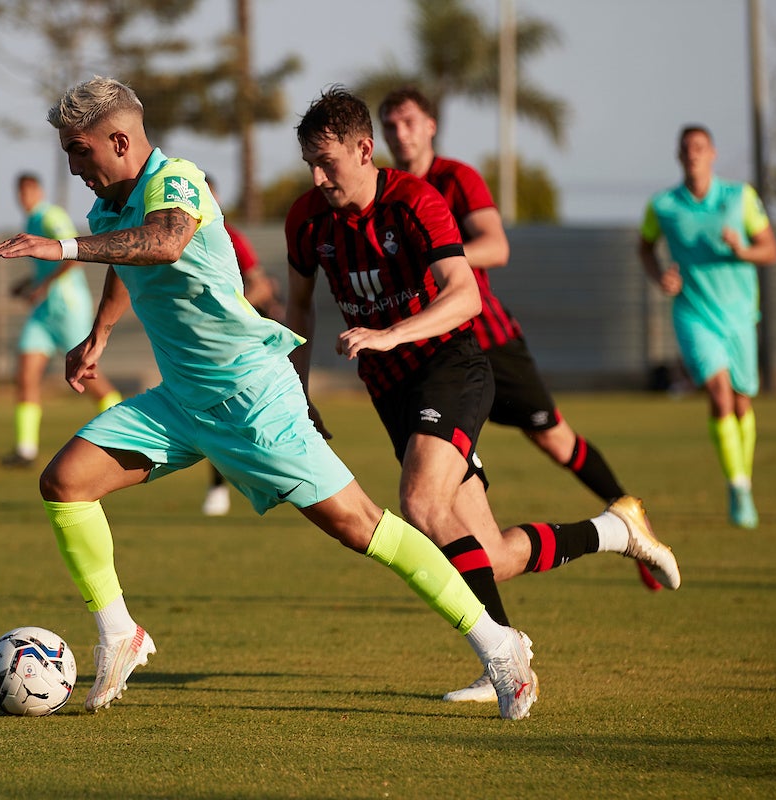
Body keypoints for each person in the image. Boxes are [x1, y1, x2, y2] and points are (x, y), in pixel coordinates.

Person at [0, 75, 539, 721]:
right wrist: (99, 335)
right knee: (65, 482)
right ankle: (119, 635)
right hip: (183, 402)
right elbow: (129, 261)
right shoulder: (110, 202)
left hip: (252, 397)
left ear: (117, 139)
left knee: (362, 527)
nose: (71, 164)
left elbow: (163, 240)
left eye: (78, 150)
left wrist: (58, 249)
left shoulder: (177, 181)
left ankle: (500, 647)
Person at [284, 87, 680, 703]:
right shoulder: (307, 219)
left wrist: (392, 334)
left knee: (419, 500)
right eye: (309, 160)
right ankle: (614, 530)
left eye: (327, 161)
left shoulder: (417, 201)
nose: (317, 176)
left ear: (364, 151)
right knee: (487, 555)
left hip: (452, 366)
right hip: (391, 390)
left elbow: (464, 293)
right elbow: (300, 308)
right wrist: (298, 390)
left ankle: (505, 659)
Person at [376, 87, 662, 592]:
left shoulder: (454, 178)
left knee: (555, 438)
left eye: (409, 122)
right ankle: (494, 627)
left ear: (430, 125)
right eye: (391, 124)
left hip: (488, 341)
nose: (400, 133)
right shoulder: (384, 190)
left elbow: (497, 245)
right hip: (431, 354)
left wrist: (434, 253)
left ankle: (630, 518)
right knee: (438, 486)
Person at [638, 125, 776, 529]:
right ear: (679, 156)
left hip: (739, 315)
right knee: (718, 395)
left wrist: (743, 249)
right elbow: (644, 248)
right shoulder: (663, 205)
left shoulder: (740, 198)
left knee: (740, 400)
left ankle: (744, 476)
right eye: (686, 149)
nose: (693, 155)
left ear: (713, 153)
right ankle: (738, 487)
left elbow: (771, 250)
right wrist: (660, 276)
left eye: (700, 148)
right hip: (694, 314)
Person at [0, 172, 121, 469]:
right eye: (21, 192)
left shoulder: (50, 216)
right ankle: (26, 449)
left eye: (29, 191)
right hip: (43, 312)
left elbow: (71, 254)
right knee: (26, 373)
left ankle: (125, 432)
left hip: (66, 307)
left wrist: (41, 287)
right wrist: (28, 283)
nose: (25, 197)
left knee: (88, 373)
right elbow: (46, 265)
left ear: (38, 191)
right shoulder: (28, 222)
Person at [200, 175, 284, 517]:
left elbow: (263, 287)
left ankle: (269, 480)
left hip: (243, 341)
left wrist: (230, 313)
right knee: (214, 417)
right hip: (207, 345)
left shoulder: (229, 236)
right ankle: (220, 488)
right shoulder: (175, 236)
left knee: (254, 418)